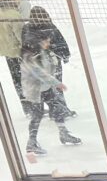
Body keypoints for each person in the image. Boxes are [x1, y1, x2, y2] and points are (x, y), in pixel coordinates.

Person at [19, 8, 80, 154]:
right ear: (40, 40)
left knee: (56, 107)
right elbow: (38, 72)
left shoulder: (41, 49)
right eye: (47, 40)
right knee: (37, 115)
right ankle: (31, 142)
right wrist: (56, 82)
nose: (50, 42)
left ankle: (63, 133)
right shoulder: (31, 54)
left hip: (44, 88)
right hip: (35, 89)